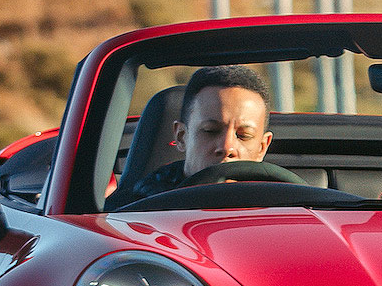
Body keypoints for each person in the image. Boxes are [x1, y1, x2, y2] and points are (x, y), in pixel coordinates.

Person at [107, 64, 273, 209]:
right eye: (210, 131)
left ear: (262, 147)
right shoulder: (127, 215)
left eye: (244, 135)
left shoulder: (290, 209)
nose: (227, 147)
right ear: (181, 136)